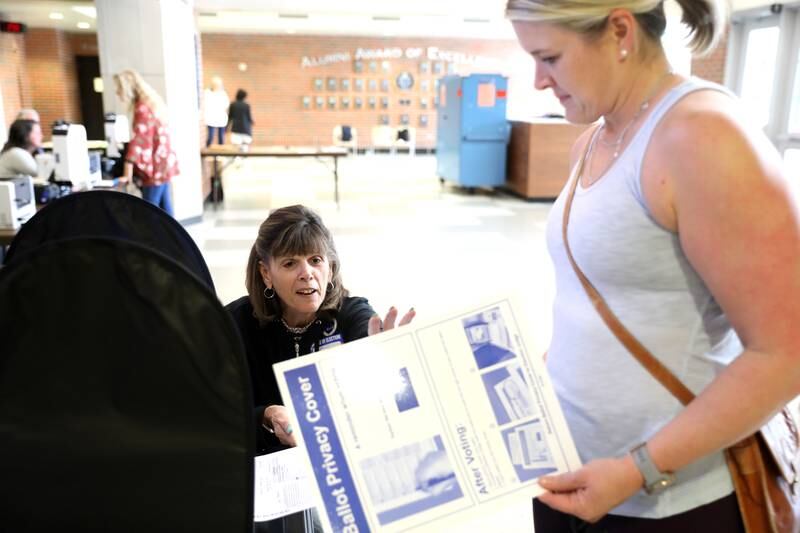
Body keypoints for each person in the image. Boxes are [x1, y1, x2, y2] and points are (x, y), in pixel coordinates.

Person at [505, 0, 800, 531]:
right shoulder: (593, 140)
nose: (538, 81)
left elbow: (787, 352)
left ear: (620, 30)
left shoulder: (701, 135)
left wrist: (638, 469)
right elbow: (599, 305)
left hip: (669, 499)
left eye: (549, 57)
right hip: (571, 475)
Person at [227, 204, 414, 532]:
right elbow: (216, 410)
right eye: (290, 263)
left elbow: (369, 336)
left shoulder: (350, 314)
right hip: (265, 474)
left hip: (339, 469)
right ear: (265, 273)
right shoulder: (236, 324)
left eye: (315, 260)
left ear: (330, 265)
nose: (307, 273)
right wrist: (264, 416)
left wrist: (384, 350)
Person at [113, 69, 179, 216]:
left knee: (150, 212)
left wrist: (127, 171)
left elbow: (139, 141)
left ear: (127, 88)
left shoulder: (142, 108)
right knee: (165, 209)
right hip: (164, 163)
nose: (117, 93)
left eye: (119, 89)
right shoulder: (151, 103)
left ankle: (159, 239)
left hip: (156, 167)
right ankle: (172, 238)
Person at [204, 76, 229, 147]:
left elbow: (226, 105)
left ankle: (220, 154)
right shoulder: (207, 92)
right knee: (210, 136)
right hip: (211, 118)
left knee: (221, 137)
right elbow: (205, 104)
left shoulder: (223, 93)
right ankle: (207, 153)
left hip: (221, 118)